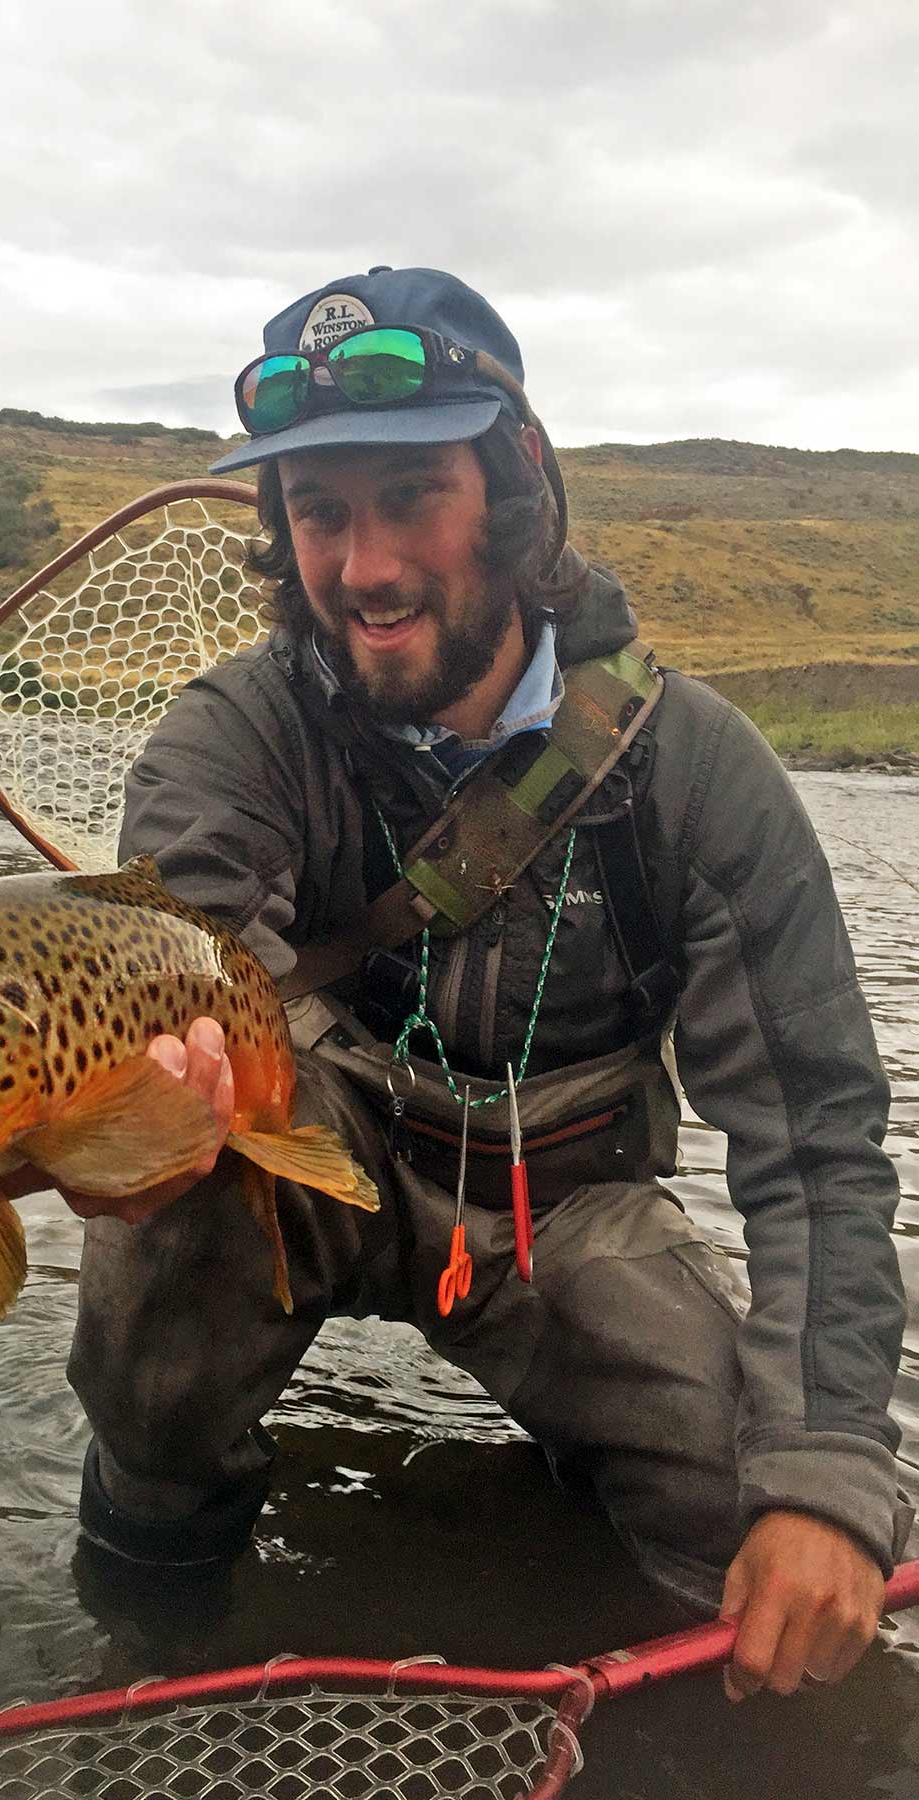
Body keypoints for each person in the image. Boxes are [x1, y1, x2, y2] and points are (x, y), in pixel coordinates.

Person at [51, 266, 911, 1703]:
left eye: (412, 499)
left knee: (756, 1511)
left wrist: (826, 1473)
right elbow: (176, 959)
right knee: (166, 1253)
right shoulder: (235, 732)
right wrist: (122, 1128)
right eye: (319, 513)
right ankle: (141, 1638)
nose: (364, 567)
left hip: (559, 1206)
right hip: (310, 1157)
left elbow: (816, 1141)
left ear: (515, 490)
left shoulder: (695, 770)